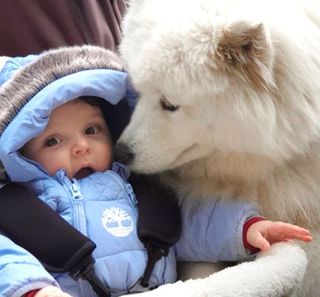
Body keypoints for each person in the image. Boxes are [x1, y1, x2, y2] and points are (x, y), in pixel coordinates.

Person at [0, 46, 312, 297]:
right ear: (21, 155)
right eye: (54, 140)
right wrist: (33, 288)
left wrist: (246, 229)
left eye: (92, 130)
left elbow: (192, 221)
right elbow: (6, 257)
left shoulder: (137, 189)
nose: (81, 146)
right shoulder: (23, 207)